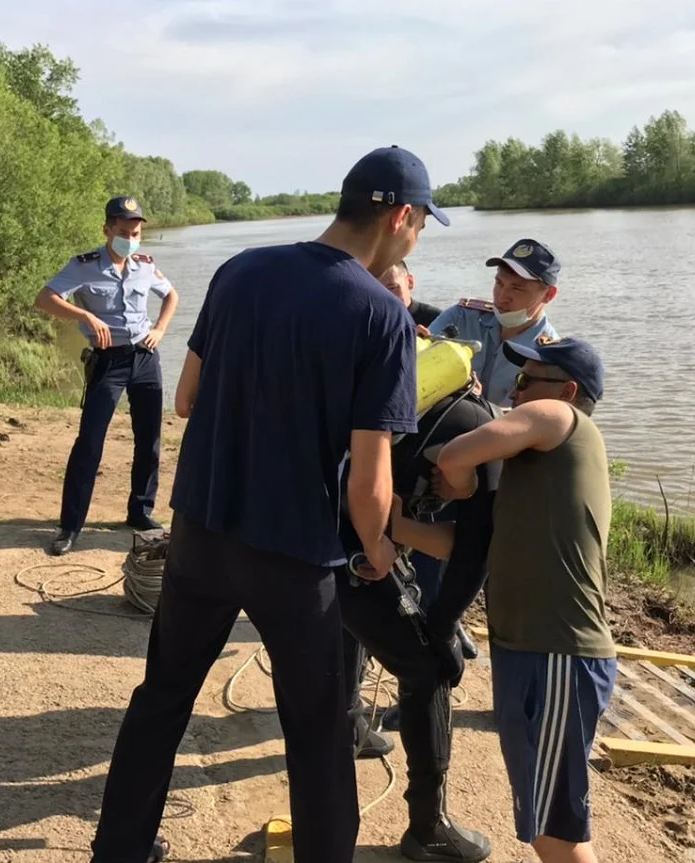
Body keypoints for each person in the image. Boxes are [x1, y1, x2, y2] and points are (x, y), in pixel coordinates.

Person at [89, 145, 448, 863]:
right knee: (316, 731)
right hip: (294, 555)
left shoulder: (238, 271)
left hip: (200, 532)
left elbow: (186, 398)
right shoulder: (381, 315)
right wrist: (379, 547)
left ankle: (119, 850)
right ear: (400, 218)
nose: (417, 237)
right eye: (420, 225)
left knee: (161, 698)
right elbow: (369, 478)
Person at [434, 336, 614, 863]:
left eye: (525, 382)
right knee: (545, 817)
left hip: (558, 652)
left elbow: (454, 454)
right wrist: (394, 525)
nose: (513, 392)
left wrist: (458, 480)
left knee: (555, 831)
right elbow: (471, 549)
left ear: (567, 389)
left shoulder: (561, 419)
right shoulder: (533, 469)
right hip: (530, 652)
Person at [339, 386, 500, 862]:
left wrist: (392, 538)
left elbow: (448, 541)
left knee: (362, 621)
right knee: (427, 669)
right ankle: (428, 828)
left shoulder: (445, 408)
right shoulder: (490, 450)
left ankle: (351, 728)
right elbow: (473, 554)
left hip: (314, 520)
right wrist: (443, 630)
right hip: (349, 534)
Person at [35, 195, 179, 555]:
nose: (130, 238)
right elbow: (45, 298)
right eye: (124, 231)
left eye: (136, 232)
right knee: (90, 443)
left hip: (145, 357)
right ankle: (70, 526)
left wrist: (160, 328)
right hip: (107, 362)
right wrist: (85, 316)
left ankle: (140, 511)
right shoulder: (84, 265)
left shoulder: (144, 264)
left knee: (149, 440)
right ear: (107, 229)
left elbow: (172, 295)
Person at [427, 238, 561, 405]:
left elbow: (524, 422)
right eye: (499, 283)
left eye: (517, 288)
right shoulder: (461, 316)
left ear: (549, 295)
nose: (502, 297)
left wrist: (475, 402)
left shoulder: (548, 358)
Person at [380, 260, 441, 331]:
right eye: (378, 289)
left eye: (392, 288)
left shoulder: (437, 320)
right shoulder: (368, 322)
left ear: (410, 282)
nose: (385, 295)